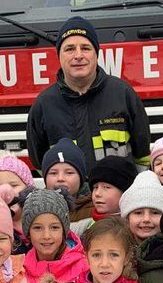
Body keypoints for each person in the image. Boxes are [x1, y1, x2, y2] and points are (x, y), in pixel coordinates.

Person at [26, 17, 150, 172]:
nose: (78, 55)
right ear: (59, 56)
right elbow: (40, 164)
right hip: (69, 197)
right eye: (69, 49)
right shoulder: (43, 105)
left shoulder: (123, 94)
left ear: (96, 54)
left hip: (120, 195)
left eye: (85, 48)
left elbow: (143, 156)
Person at [42, 138, 95, 235]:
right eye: (53, 173)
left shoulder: (95, 206)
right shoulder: (37, 207)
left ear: (81, 178)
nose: (60, 178)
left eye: (69, 173)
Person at [119, 170, 163, 244]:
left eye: (155, 213)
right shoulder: (115, 248)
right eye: (138, 213)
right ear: (127, 218)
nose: (146, 219)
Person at [89, 155, 138, 221]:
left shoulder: (137, 228)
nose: (97, 193)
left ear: (125, 193)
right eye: (95, 187)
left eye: (106, 187)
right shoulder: (87, 227)